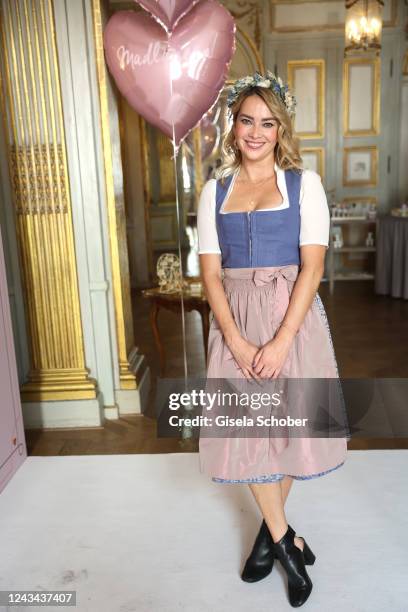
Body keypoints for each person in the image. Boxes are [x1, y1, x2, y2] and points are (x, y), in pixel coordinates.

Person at [196, 71, 350, 608]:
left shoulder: (303, 184)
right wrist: (236, 342)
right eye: (246, 121)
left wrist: (283, 339)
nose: (256, 133)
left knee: (285, 428)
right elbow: (211, 275)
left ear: (281, 129)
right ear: (232, 126)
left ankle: (269, 536)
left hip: (294, 319)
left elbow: (312, 268)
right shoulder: (213, 192)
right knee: (251, 432)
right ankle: (287, 541)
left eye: (268, 123)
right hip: (236, 322)